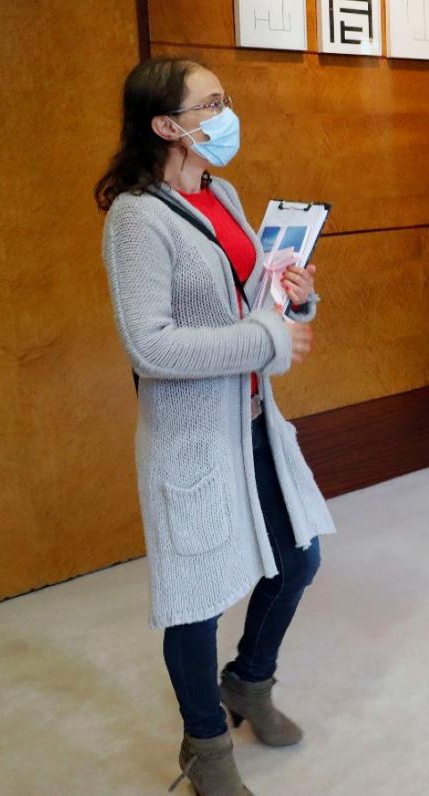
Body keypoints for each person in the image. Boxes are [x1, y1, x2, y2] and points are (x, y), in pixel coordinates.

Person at [96, 58, 337, 795]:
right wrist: (267, 337)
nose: (226, 114)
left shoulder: (223, 193)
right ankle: (205, 748)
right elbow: (152, 345)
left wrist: (294, 298)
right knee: (196, 598)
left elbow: (253, 304)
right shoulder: (136, 217)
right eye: (211, 104)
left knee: (298, 559)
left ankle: (249, 683)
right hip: (192, 437)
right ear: (168, 126)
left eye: (223, 99)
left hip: (256, 422)